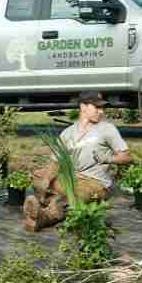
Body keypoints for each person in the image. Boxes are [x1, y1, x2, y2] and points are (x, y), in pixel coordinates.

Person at [23, 91, 132, 231]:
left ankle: (45, 216)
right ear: (83, 107)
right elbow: (56, 162)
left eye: (102, 108)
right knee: (39, 179)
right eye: (97, 107)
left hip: (95, 182)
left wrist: (108, 159)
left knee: (74, 196)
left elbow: (126, 157)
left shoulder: (107, 129)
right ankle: (50, 204)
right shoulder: (68, 133)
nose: (101, 111)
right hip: (71, 179)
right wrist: (46, 178)